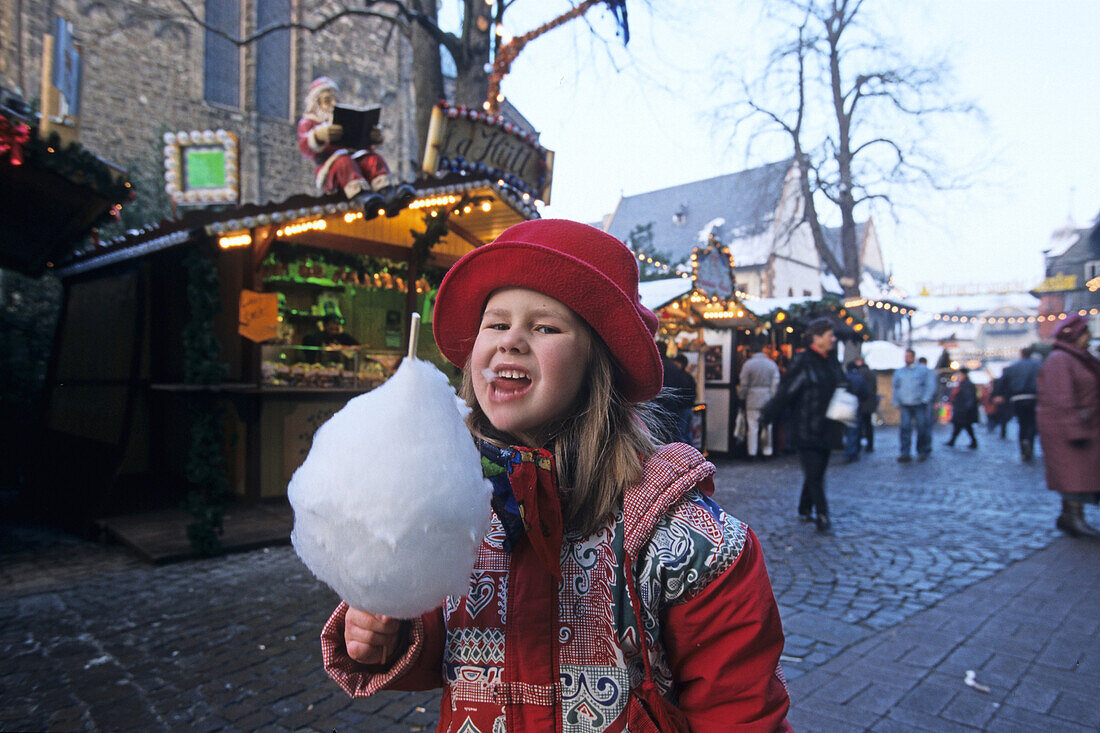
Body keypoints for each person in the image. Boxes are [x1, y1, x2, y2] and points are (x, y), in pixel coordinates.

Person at [318, 220, 792, 731]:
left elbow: (739, 711)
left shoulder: (689, 542)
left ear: (597, 364)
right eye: (496, 324)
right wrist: (389, 633)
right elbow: (452, 648)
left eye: (544, 327)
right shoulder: (446, 503)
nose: (511, 342)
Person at [763, 318, 846, 532]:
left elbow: (842, 386)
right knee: (815, 473)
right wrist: (768, 415)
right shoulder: (803, 360)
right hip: (806, 427)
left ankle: (803, 507)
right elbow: (787, 392)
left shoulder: (832, 361)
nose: (834, 339)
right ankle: (823, 515)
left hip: (829, 427)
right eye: (830, 335)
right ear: (817, 338)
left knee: (816, 472)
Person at [297, 76, 415, 216]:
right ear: (317, 103)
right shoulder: (309, 123)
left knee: (373, 159)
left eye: (335, 100)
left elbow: (363, 146)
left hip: (355, 161)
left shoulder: (343, 120)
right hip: (332, 169)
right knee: (343, 161)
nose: (333, 104)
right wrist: (318, 136)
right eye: (327, 101)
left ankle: (387, 193)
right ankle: (362, 196)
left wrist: (373, 137)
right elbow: (305, 146)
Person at [1037, 314, 1100, 539]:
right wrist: (1075, 428)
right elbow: (1061, 399)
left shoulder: (1077, 358)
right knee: (1074, 474)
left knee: (1079, 473)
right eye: (1086, 333)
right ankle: (1073, 517)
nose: (1089, 337)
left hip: (1085, 425)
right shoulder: (1060, 360)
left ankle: (1070, 517)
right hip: (1070, 428)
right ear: (1075, 335)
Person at [893, 348, 936, 462]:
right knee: (905, 429)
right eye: (905, 356)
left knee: (922, 428)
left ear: (913, 357)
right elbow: (896, 388)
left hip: (919, 404)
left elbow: (930, 385)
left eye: (908, 356)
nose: (906, 358)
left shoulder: (923, 370)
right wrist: (896, 401)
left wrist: (925, 399)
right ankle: (905, 452)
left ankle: (921, 451)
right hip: (905, 404)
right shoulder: (900, 372)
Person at [738, 342, 780, 460]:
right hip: (767, 397)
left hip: (752, 398)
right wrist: (773, 398)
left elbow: (744, 383)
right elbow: (775, 383)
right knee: (767, 426)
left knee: (752, 426)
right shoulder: (771, 364)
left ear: (751, 352)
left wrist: (742, 396)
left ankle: (752, 452)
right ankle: (767, 451)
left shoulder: (748, 365)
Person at [1002, 346, 1042, 461]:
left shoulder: (1013, 367)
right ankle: (1029, 441)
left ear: (1021, 354)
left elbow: (1005, 381)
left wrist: (1004, 396)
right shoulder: (1038, 366)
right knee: (1032, 423)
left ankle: (1023, 449)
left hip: (1018, 398)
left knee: (1022, 423)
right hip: (1033, 397)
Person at [655, 342, 697, 445]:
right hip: (676, 407)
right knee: (683, 435)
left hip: (661, 407)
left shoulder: (657, 365)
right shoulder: (674, 367)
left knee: (675, 436)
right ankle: (688, 457)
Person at [841, 361, 871, 462]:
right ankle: (852, 453)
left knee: (847, 431)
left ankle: (847, 453)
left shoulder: (843, 377)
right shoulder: (859, 378)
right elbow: (865, 393)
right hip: (855, 406)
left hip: (844, 407)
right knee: (854, 431)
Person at [945, 368, 979, 449]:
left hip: (963, 410)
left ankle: (953, 441)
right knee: (963, 426)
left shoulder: (966, 384)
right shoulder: (962, 384)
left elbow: (969, 398)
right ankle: (953, 441)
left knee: (962, 426)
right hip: (962, 410)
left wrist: (966, 408)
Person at [852, 356, 878, 452]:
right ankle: (870, 445)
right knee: (868, 426)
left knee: (860, 425)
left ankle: (858, 446)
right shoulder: (871, 373)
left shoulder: (860, 373)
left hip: (862, 403)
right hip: (869, 403)